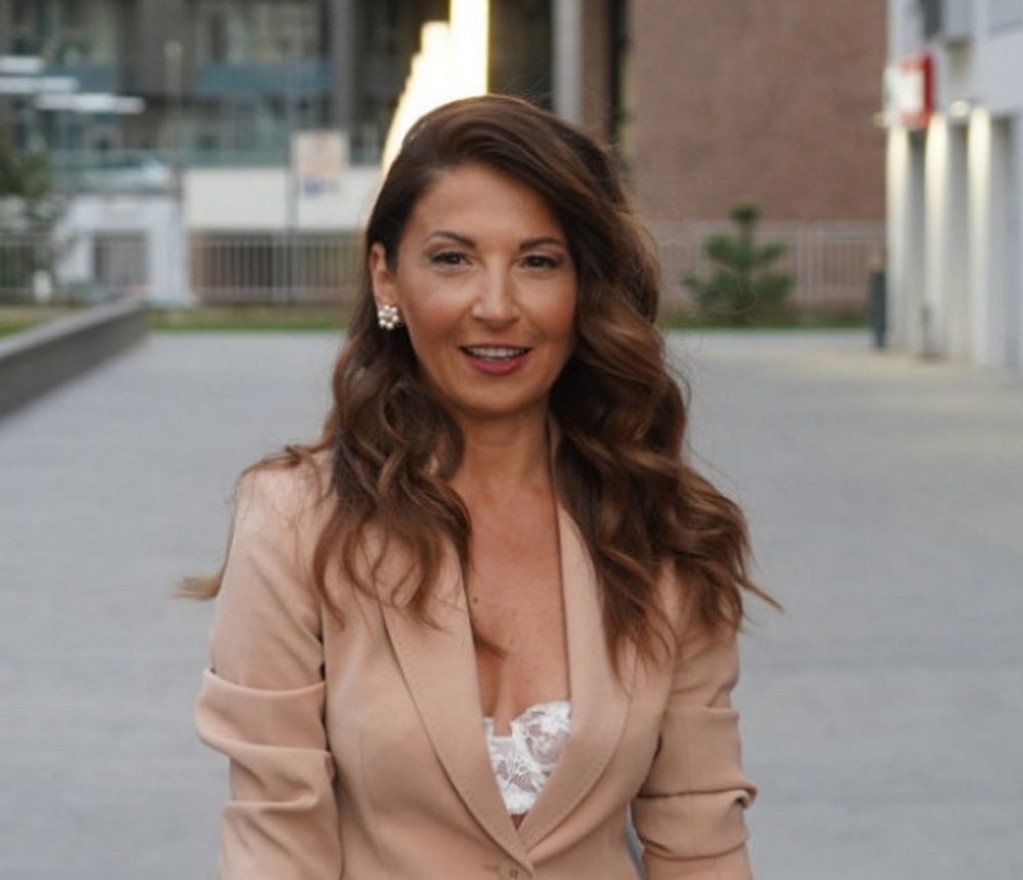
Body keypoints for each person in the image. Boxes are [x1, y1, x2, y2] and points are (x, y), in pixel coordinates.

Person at [191, 94, 770, 879]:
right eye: (453, 259)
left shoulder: (661, 526)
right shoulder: (293, 520)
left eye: (538, 262)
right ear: (386, 278)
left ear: (584, 289)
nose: (496, 307)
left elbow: (699, 835)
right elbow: (274, 841)